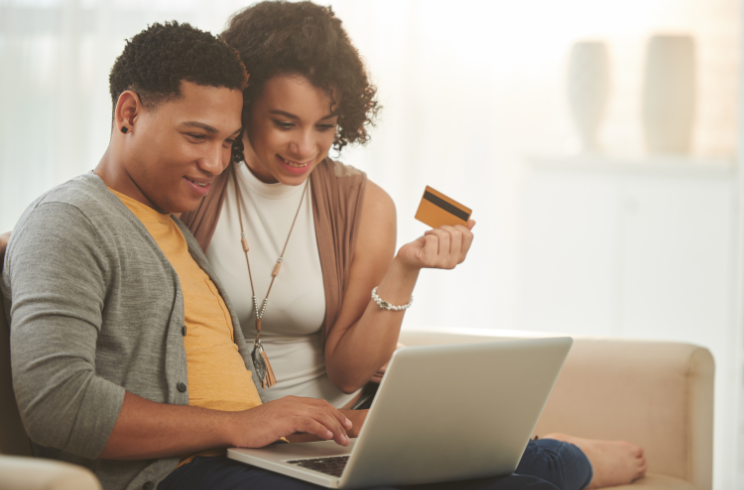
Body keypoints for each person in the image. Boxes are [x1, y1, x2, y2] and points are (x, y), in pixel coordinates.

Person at [1, 20, 561, 490]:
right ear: (128, 113)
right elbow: (58, 404)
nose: (218, 163)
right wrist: (241, 424)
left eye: (226, 141)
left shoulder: (169, 223)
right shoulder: (72, 219)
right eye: (198, 136)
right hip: (183, 471)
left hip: (254, 451)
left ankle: (568, 457)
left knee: (514, 475)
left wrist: (288, 424)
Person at [181, 2, 648, 490]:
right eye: (284, 122)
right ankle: (544, 452)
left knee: (530, 476)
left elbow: (347, 374)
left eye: (324, 126)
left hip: (345, 422)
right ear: (244, 104)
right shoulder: (195, 187)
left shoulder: (363, 204)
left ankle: (563, 454)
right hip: (245, 434)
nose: (305, 147)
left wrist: (405, 268)